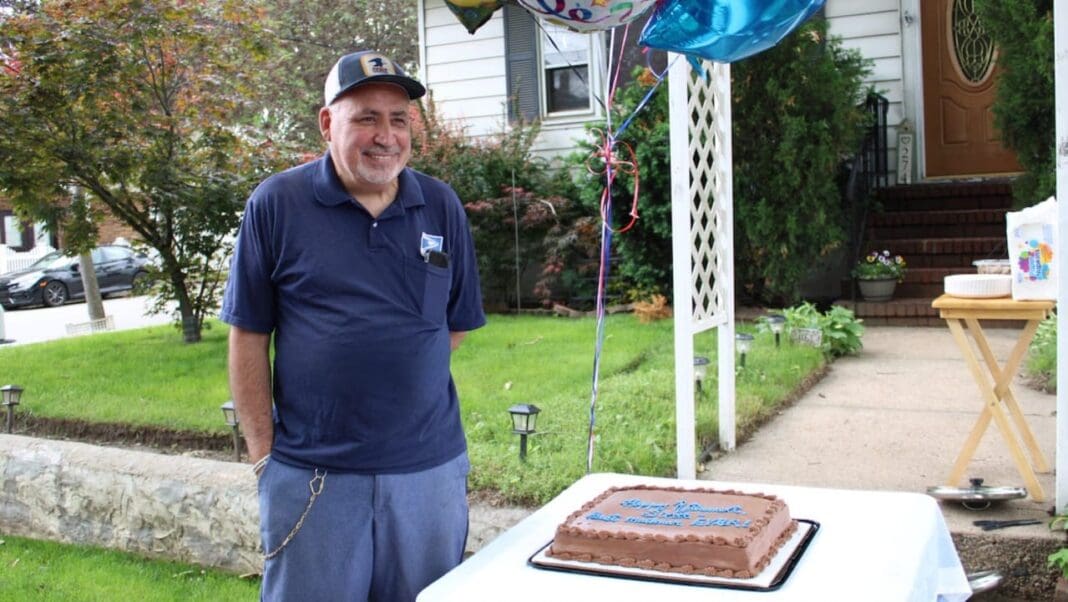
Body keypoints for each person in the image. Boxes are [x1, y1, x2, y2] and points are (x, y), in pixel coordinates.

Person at [220, 50, 486, 601]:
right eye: (366, 117)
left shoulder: (440, 205)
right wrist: (265, 457)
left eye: (398, 119)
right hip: (314, 475)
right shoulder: (277, 204)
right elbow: (248, 334)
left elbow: (453, 325)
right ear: (327, 123)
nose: (386, 136)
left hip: (428, 473)